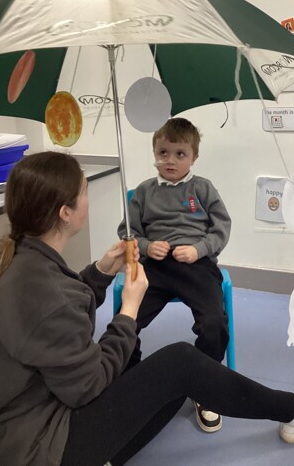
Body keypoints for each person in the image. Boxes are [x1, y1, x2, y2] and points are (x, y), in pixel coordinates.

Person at [0, 152, 294, 466]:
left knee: (180, 379)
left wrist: (101, 272)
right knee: (181, 363)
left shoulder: (22, 264)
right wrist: (128, 312)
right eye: (84, 191)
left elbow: (62, 309)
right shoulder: (44, 287)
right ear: (66, 212)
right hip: (38, 448)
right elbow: (90, 385)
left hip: (23, 421)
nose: (88, 197)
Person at [117, 117, 231, 433]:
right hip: (154, 267)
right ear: (154, 153)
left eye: (180, 154)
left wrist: (198, 249)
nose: (170, 160)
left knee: (214, 323)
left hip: (196, 267)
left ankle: (204, 388)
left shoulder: (203, 188)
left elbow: (221, 229)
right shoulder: (144, 191)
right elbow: (127, 231)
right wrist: (145, 245)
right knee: (126, 321)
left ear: (194, 157)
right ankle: (130, 381)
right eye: (163, 153)